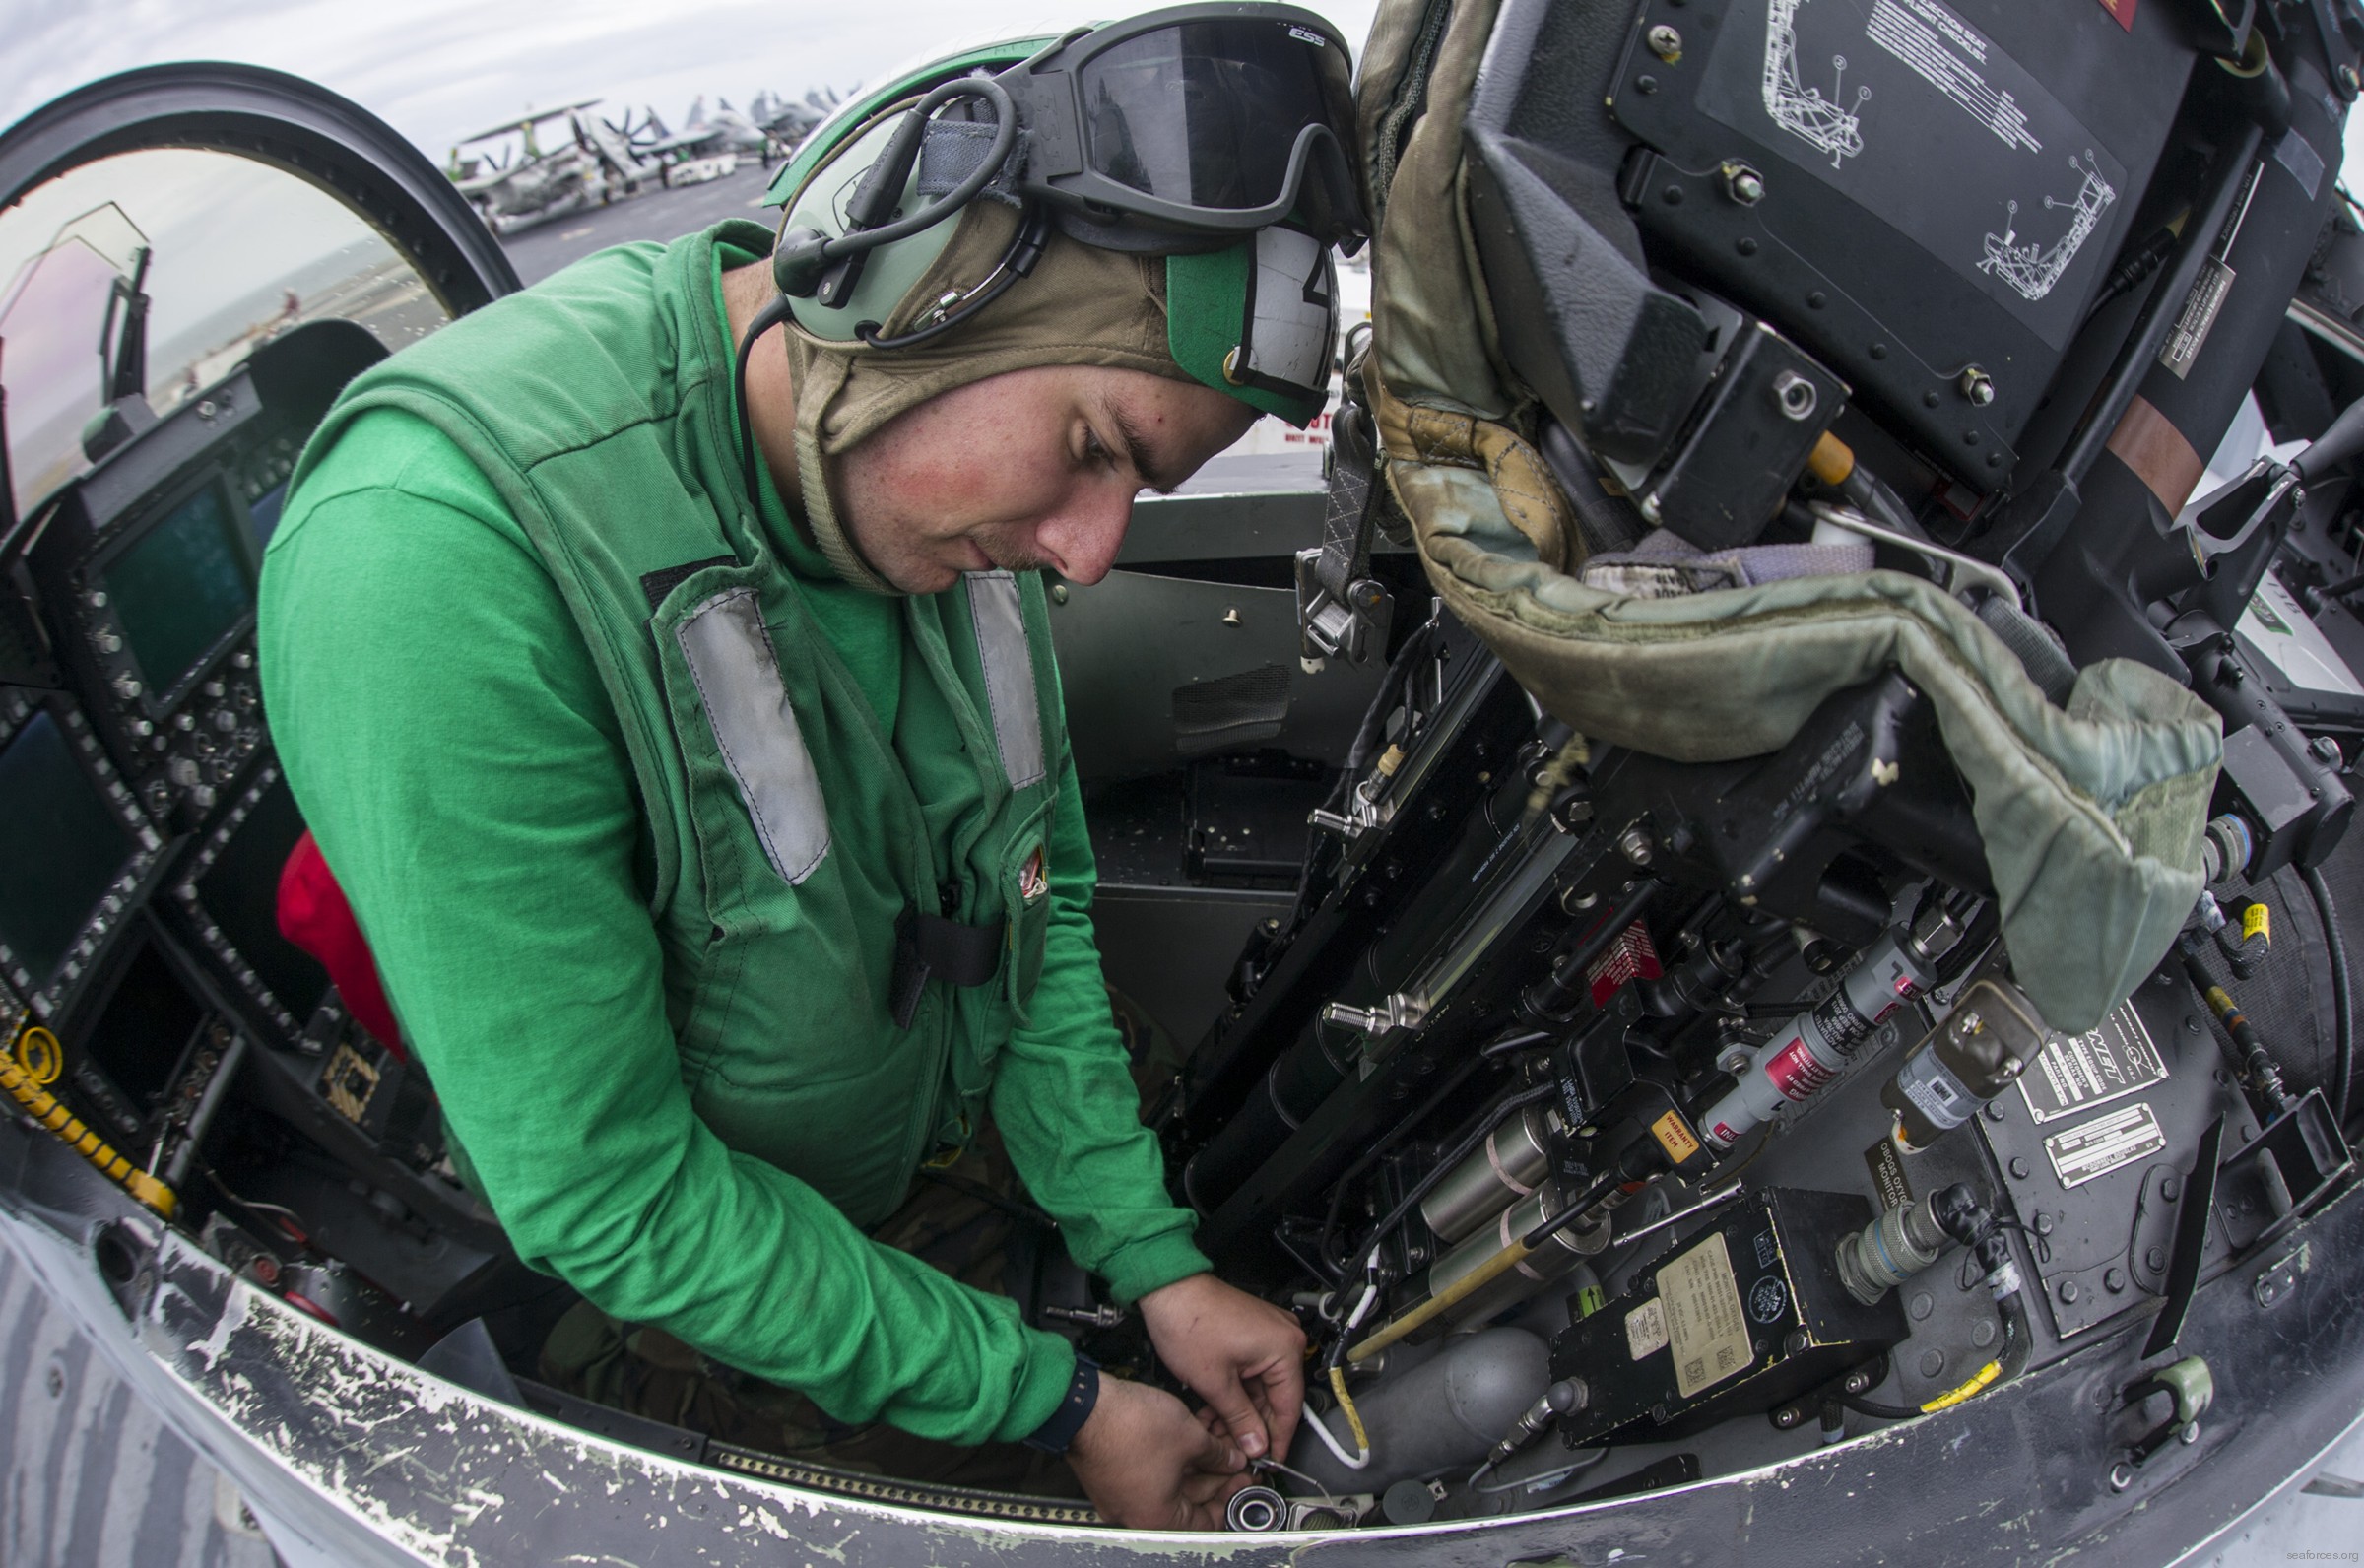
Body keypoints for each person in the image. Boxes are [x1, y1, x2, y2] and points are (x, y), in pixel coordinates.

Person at [256, 4, 1364, 1532]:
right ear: (911, 293)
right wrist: (1056, 1402)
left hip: (949, 1116)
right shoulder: (431, 570)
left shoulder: (924, 486)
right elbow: (615, 1196)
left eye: (1144, 482)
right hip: (709, 1276)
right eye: (1093, 445)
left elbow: (1031, 905)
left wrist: (1150, 1257)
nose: (1090, 556)